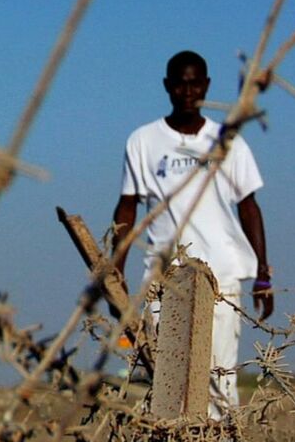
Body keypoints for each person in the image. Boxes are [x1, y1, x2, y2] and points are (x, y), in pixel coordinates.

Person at [111, 50, 273, 416]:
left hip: (223, 279)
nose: (187, 92)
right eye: (180, 84)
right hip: (164, 280)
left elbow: (249, 206)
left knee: (220, 381)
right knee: (168, 383)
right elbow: (127, 207)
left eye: (195, 84)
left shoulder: (226, 141)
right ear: (168, 87)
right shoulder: (142, 141)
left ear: (206, 86)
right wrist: (115, 271)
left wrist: (263, 274)